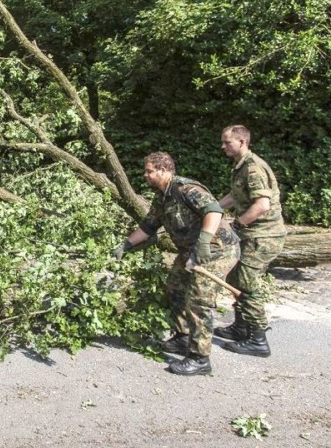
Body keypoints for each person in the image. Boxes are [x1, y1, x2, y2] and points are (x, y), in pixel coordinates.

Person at [113, 152, 239, 376]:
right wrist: (126, 245)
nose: (146, 175)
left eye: (150, 171)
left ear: (164, 170)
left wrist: (203, 242)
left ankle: (200, 358)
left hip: (217, 250)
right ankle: (182, 336)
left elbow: (214, 211)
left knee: (199, 300)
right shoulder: (161, 197)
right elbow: (148, 226)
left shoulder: (186, 189)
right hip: (189, 250)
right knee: (175, 288)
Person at [216, 125, 287, 357]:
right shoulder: (241, 166)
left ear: (242, 142)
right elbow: (234, 196)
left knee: (247, 284)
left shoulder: (253, 168)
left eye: (227, 142)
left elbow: (262, 205)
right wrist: (212, 209)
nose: (223, 146)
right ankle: (241, 327)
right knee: (235, 278)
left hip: (263, 236)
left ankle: (258, 340)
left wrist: (236, 226)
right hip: (253, 234)